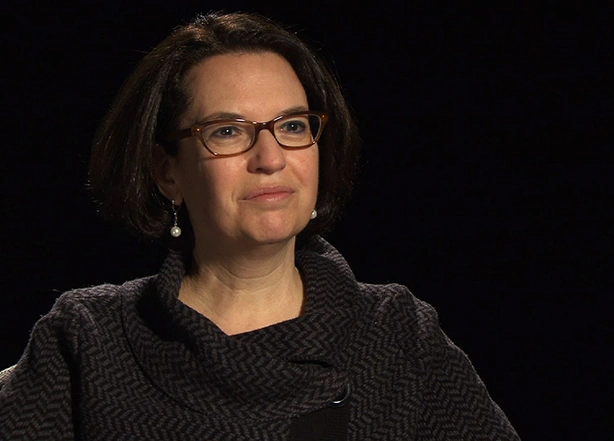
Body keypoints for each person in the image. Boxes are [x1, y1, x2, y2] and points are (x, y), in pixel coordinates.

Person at [0, 12, 519, 440]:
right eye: (228, 131)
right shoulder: (87, 341)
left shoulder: (399, 336)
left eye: (292, 126)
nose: (270, 158)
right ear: (167, 171)